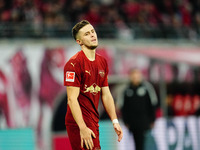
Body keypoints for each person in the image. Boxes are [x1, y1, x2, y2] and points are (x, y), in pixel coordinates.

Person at [64, 20, 123, 150]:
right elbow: (71, 99)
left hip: (93, 121)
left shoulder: (102, 61)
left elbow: (106, 94)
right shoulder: (73, 64)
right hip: (78, 123)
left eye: (92, 31)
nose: (92, 35)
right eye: (86, 34)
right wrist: (82, 127)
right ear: (79, 41)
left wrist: (115, 121)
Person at [122, 68, 158, 150]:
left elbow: (153, 104)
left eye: (137, 75)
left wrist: (152, 120)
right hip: (132, 123)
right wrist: (126, 121)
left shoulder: (147, 88)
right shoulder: (127, 90)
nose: (135, 78)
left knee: (145, 144)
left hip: (145, 122)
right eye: (133, 76)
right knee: (136, 144)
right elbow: (123, 108)